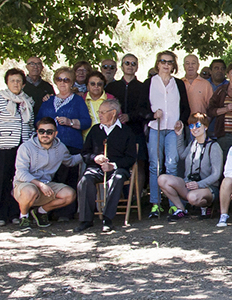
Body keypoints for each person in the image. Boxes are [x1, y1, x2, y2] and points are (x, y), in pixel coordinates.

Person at [74, 99, 138, 233]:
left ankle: (107, 219)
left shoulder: (126, 131)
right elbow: (85, 154)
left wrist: (113, 165)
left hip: (118, 168)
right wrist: (95, 158)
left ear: (113, 113)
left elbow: (131, 158)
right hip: (97, 168)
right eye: (99, 112)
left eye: (103, 112)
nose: (100, 115)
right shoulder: (95, 130)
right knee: (85, 180)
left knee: (118, 178)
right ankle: (86, 220)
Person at [36, 66, 91, 222]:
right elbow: (37, 121)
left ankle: (66, 213)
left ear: (72, 82)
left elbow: (87, 122)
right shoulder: (49, 100)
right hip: (49, 147)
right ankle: (48, 211)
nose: (63, 82)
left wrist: (71, 122)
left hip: (71, 144)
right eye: (59, 79)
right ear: (55, 81)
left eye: (66, 80)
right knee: (51, 179)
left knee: (69, 179)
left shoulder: (78, 100)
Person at [12, 117, 82, 230]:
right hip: (25, 184)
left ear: (55, 133)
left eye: (49, 132)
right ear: (37, 132)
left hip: (46, 184)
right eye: (42, 131)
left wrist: (90, 155)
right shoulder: (26, 147)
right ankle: (24, 216)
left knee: (69, 194)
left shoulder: (60, 147)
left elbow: (70, 161)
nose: (45, 135)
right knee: (30, 190)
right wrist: (40, 184)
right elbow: (21, 172)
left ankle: (40, 212)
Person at [143, 50, 190, 218]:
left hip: (172, 129)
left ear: (173, 66)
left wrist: (181, 121)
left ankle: (173, 204)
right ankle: (155, 204)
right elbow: (141, 109)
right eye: (163, 61)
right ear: (158, 63)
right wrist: (152, 115)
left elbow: (186, 108)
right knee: (155, 165)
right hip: (155, 128)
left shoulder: (178, 84)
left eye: (170, 62)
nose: (166, 64)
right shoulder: (149, 83)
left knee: (172, 164)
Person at [0, 68, 36, 226]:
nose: (16, 83)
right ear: (7, 82)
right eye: (13, 80)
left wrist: (30, 144)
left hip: (22, 147)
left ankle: (15, 212)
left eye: (19, 81)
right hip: (3, 146)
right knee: (0, 181)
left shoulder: (27, 100)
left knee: (18, 181)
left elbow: (30, 124)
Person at [159, 113, 224, 221]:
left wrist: (198, 184)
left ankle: (206, 206)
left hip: (207, 187)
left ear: (206, 127)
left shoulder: (214, 146)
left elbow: (216, 174)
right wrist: (179, 135)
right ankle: (181, 209)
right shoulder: (193, 143)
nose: (194, 129)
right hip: (189, 184)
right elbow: (182, 155)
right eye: (191, 126)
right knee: (162, 179)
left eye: (198, 125)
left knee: (192, 197)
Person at [105, 54, 148, 182]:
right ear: (122, 66)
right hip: (115, 130)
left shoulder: (143, 87)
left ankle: (138, 198)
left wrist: (130, 116)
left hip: (136, 130)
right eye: (127, 63)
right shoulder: (112, 87)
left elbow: (146, 109)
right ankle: (115, 196)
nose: (130, 66)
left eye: (133, 63)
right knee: (114, 162)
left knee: (139, 163)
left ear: (137, 67)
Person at [82, 71, 114, 140]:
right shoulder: (81, 100)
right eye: (92, 84)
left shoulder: (110, 99)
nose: (96, 86)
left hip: (107, 139)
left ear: (103, 86)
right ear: (87, 86)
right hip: (86, 139)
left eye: (99, 84)